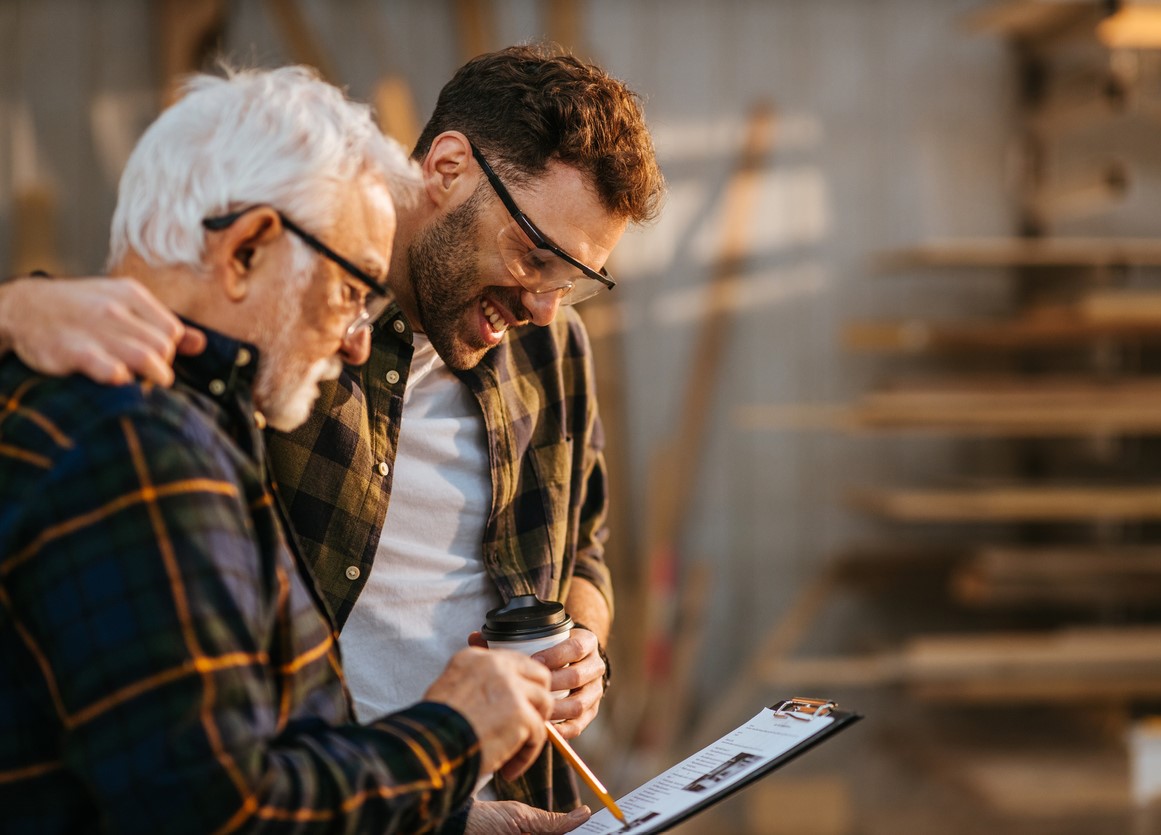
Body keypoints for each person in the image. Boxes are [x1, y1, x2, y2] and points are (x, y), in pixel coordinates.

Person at [0, 42, 666, 821]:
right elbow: (221, 803)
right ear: (448, 169)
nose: (547, 303)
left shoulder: (552, 349)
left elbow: (583, 541)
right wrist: (13, 308)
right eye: (536, 255)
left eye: (577, 281)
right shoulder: (214, 389)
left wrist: (581, 642)